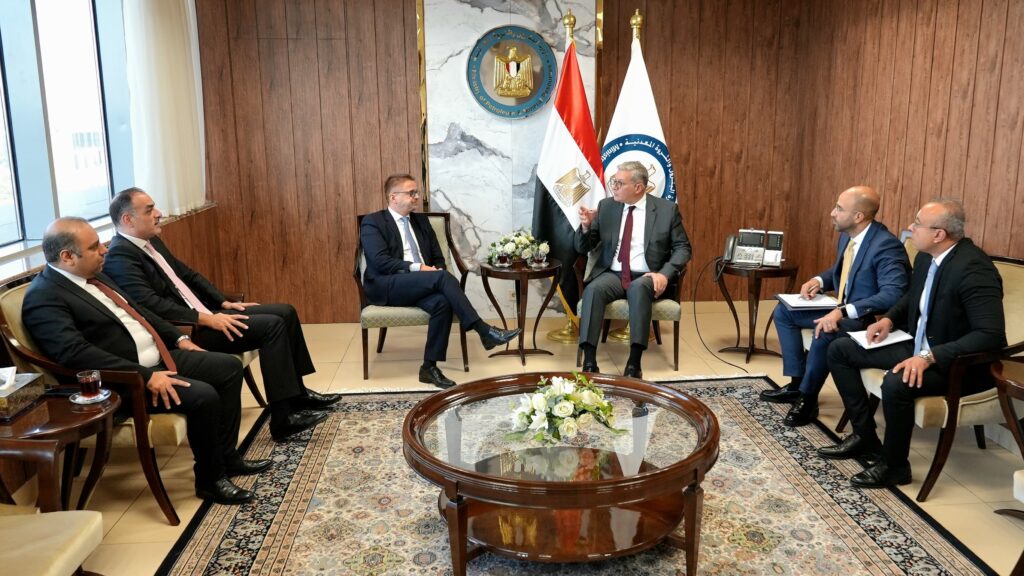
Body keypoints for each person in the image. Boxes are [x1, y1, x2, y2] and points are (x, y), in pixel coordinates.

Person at [22, 218, 266, 504]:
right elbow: (75, 353)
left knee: (228, 367)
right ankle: (211, 480)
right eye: (94, 247)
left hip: (158, 357)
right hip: (123, 381)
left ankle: (228, 458)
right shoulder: (44, 297)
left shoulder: (96, 276)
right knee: (203, 396)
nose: (104, 250)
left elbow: (142, 313)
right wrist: (146, 376)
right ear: (67, 257)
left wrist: (180, 339)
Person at [102, 188, 336, 442]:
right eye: (149, 211)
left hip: (206, 313)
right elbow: (151, 305)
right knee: (272, 326)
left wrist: (224, 302)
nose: (158, 214)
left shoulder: (151, 242)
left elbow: (188, 275)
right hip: (188, 330)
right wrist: (206, 319)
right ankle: (283, 418)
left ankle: (298, 396)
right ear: (128, 219)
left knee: (286, 311)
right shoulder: (120, 256)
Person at [817, 199, 1005, 488]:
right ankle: (865, 437)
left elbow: (990, 335)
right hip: (919, 345)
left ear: (939, 234)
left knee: (896, 382)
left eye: (917, 224)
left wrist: (929, 357)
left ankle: (895, 466)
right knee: (840, 349)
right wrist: (889, 320)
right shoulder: (927, 257)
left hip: (956, 363)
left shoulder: (974, 269)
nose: (910, 228)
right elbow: (912, 297)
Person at [762, 186, 909, 427]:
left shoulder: (886, 246)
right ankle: (797, 384)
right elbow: (844, 272)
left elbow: (894, 293)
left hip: (867, 318)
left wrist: (843, 311)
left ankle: (808, 400)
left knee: (825, 330)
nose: (832, 213)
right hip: (841, 308)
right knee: (784, 312)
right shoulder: (848, 236)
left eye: (839, 209)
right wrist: (818, 281)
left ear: (858, 216)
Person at [359, 174, 521, 388]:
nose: (417, 197)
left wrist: (436, 270)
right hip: (388, 285)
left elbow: (438, 258)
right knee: (442, 278)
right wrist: (420, 269)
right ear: (393, 197)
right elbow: (380, 262)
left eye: (417, 192)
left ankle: (429, 367)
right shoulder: (373, 222)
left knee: (442, 303)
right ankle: (483, 330)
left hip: (422, 283)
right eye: (411, 193)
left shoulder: (421, 221)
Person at [576, 161, 691, 378]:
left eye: (619, 183)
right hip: (613, 274)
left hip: (648, 275)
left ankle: (634, 363)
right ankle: (589, 362)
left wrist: (664, 274)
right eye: (614, 182)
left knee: (638, 288)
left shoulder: (666, 210)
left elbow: (683, 248)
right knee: (593, 289)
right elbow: (584, 247)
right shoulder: (607, 207)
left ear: (638, 187)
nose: (614, 187)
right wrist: (586, 226)